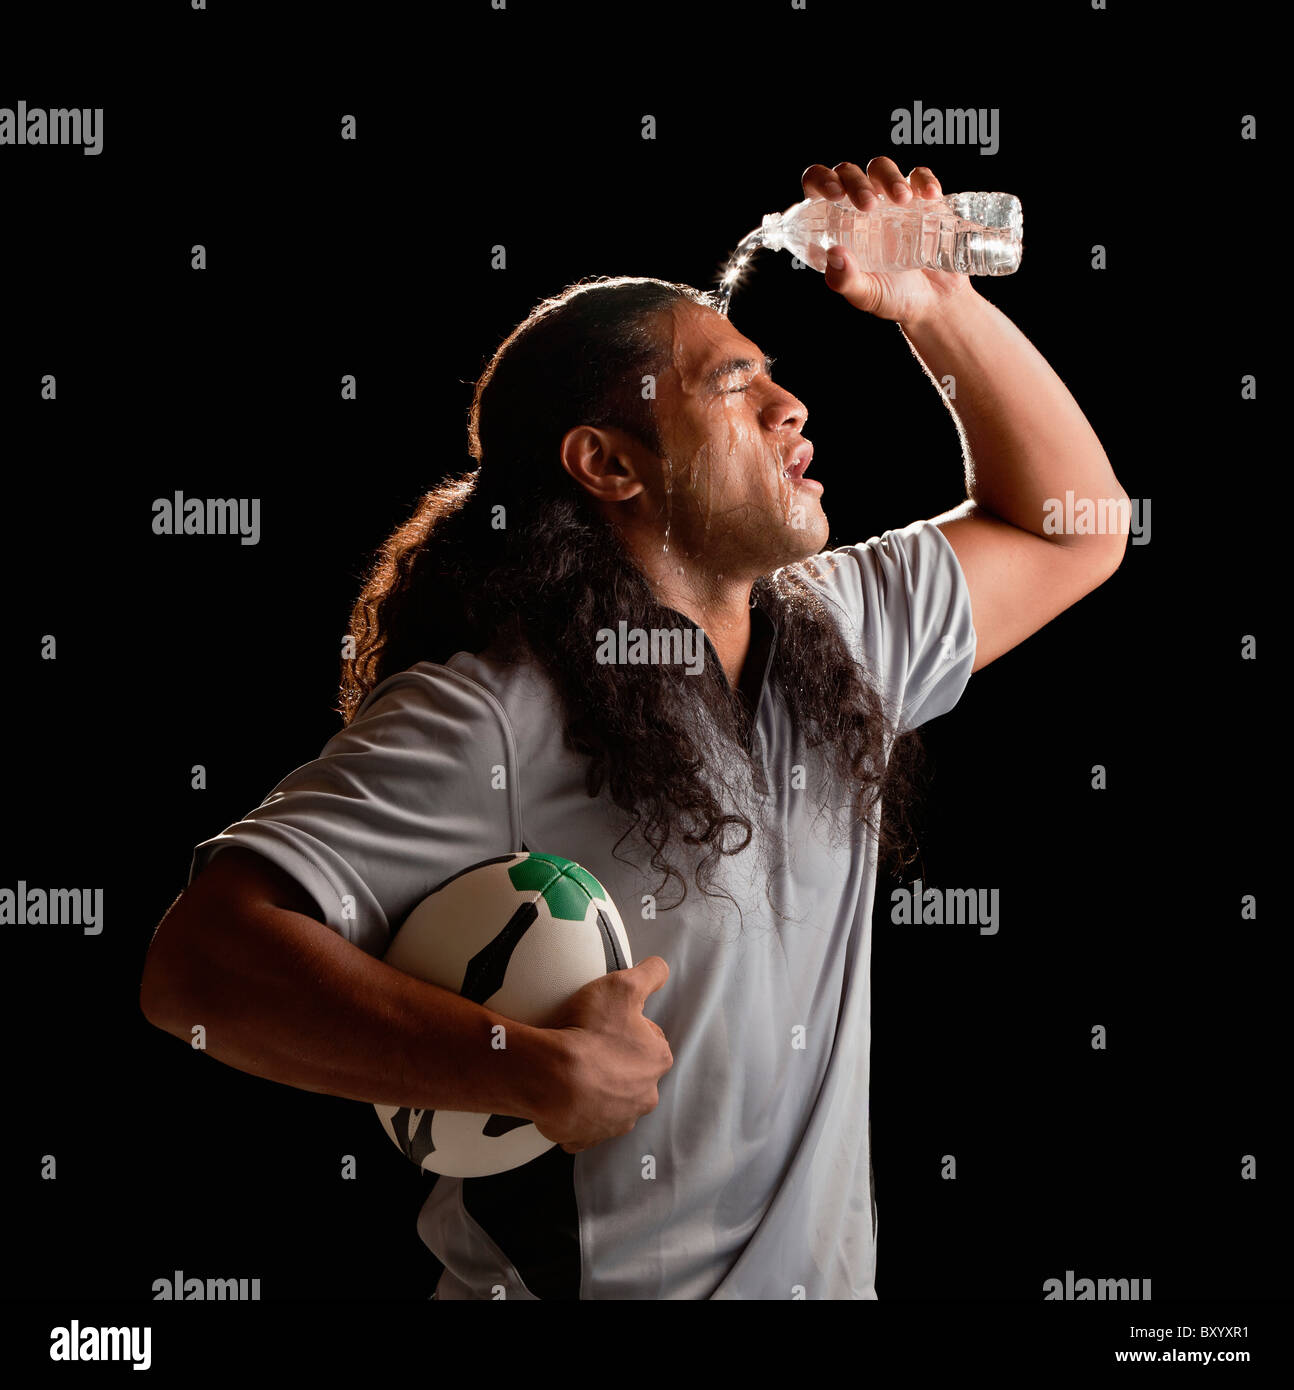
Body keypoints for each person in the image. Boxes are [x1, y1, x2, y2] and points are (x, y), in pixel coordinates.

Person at [139, 157, 1129, 1299]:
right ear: (608, 463)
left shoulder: (836, 632)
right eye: (731, 386)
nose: (787, 405)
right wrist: (522, 1067)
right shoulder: (499, 711)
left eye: (776, 379)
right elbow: (198, 964)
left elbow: (1078, 528)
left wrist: (941, 307)